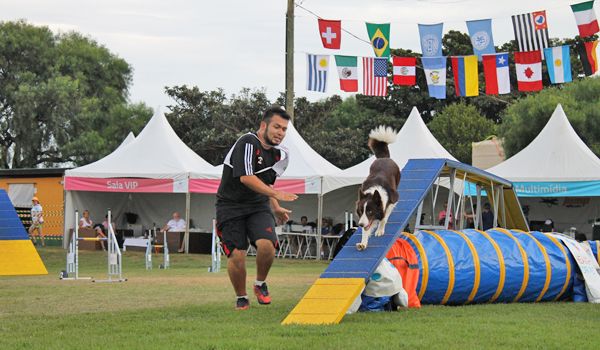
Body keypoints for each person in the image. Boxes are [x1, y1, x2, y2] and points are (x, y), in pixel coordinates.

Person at [216, 106, 297, 310]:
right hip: (230, 206)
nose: (280, 132)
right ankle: (241, 297)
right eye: (277, 127)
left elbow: (266, 184)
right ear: (264, 125)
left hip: (257, 205)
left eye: (284, 129)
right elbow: (246, 177)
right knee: (237, 254)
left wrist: (276, 207)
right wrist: (276, 195)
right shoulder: (247, 142)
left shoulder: (281, 155)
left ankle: (260, 284)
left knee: (267, 245)